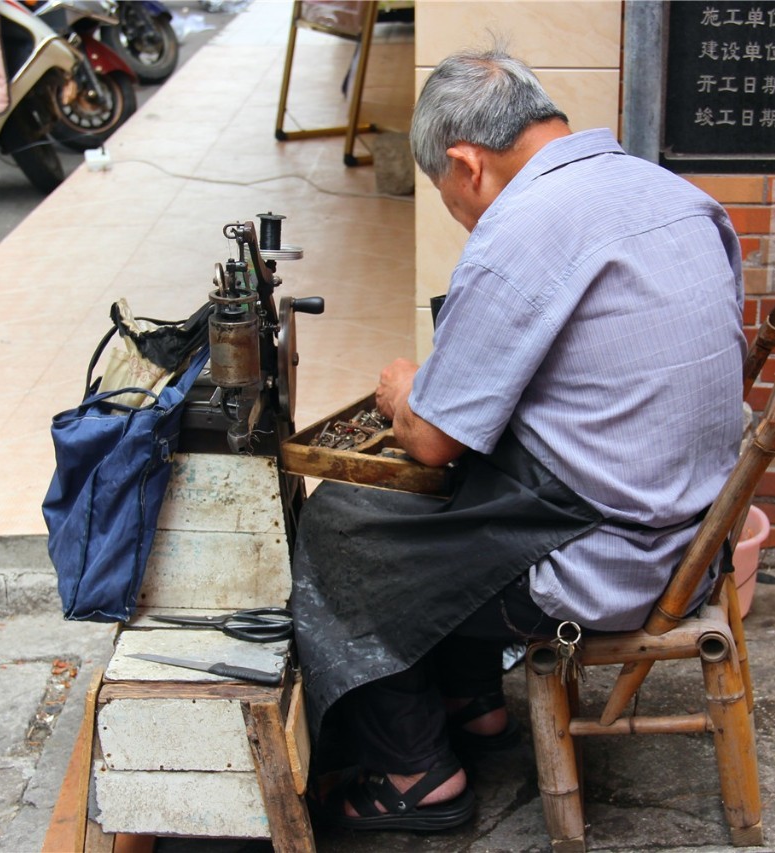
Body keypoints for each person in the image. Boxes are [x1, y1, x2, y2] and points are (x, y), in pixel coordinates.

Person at [292, 46, 746, 832]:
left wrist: (404, 393)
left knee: (341, 522)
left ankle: (414, 772)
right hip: (694, 536)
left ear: (467, 164)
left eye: (452, 200)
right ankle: (473, 703)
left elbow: (434, 439)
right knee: (461, 495)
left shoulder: (521, 231)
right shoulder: (673, 193)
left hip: (607, 560)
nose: (464, 218)